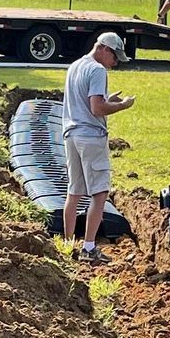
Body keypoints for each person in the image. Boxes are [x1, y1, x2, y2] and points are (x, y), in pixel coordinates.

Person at [62, 29, 133, 257]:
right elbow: (96, 108)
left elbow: (88, 102)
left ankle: (67, 244)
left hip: (71, 135)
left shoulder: (75, 66)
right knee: (99, 193)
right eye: (114, 57)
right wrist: (121, 105)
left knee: (73, 192)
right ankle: (89, 247)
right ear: (103, 48)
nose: (114, 63)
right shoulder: (97, 70)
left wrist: (107, 100)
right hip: (90, 137)